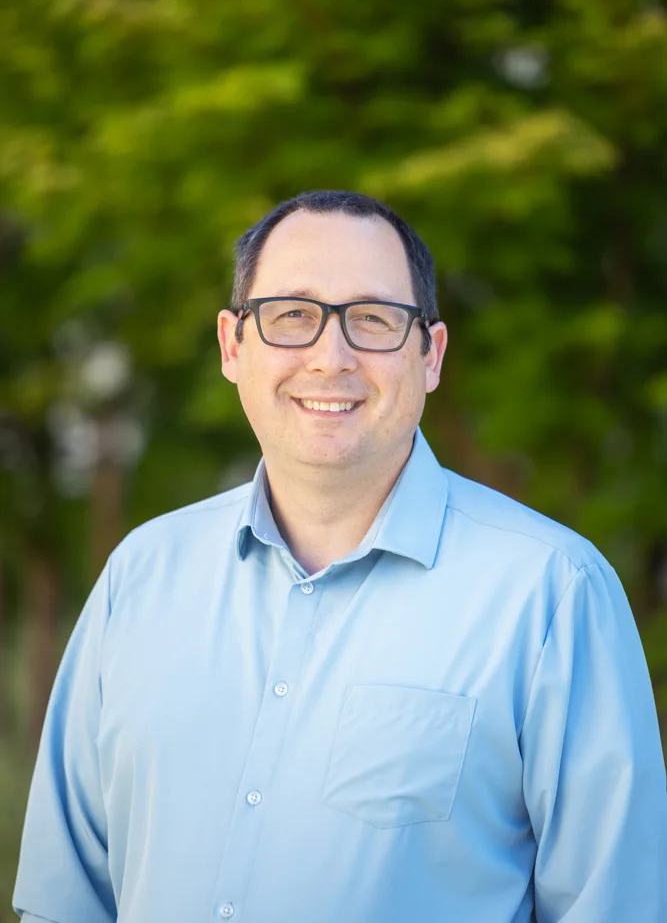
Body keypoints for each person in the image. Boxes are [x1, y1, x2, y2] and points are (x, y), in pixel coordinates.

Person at [13, 190, 667, 923]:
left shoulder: (551, 594)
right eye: (292, 315)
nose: (331, 357)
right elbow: (64, 901)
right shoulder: (138, 578)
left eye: (374, 320)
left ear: (430, 356)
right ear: (233, 346)